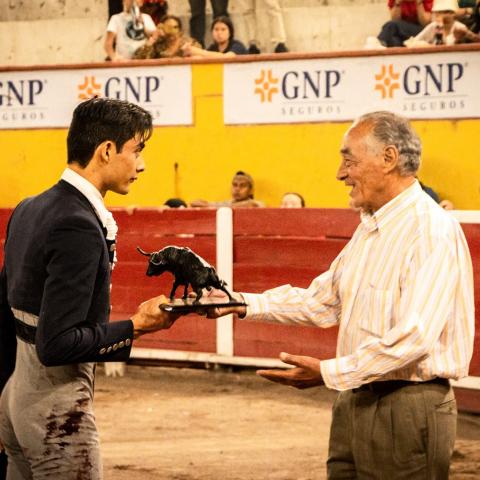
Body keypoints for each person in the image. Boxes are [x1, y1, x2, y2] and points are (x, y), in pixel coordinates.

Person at [205, 111, 474, 478]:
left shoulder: (430, 231)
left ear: (389, 158)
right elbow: (323, 301)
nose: (340, 173)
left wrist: (330, 371)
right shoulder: (371, 227)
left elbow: (415, 336)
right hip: (354, 398)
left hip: (407, 404)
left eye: (349, 159)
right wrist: (244, 302)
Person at [0, 97, 182, 479]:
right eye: (137, 150)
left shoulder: (29, 207)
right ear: (107, 150)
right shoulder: (78, 224)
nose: (142, 164)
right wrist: (137, 325)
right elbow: (57, 345)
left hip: (14, 398)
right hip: (54, 408)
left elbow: (4, 312)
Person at [410, 0, 480, 44]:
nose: (443, 15)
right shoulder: (433, 26)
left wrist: (458, 39)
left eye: (447, 12)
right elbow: (414, 41)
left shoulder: (460, 27)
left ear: (453, 13)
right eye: (440, 12)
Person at [133, 14, 200, 59]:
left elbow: (200, 60)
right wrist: (153, 38)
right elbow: (138, 59)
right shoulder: (158, 45)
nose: (171, 32)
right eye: (168, 27)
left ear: (180, 30)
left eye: (175, 27)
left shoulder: (190, 43)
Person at [191, 171, 264, 208]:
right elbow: (194, 203)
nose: (237, 189)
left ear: (251, 191)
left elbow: (250, 205)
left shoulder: (258, 203)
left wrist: (217, 208)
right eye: (235, 185)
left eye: (242, 186)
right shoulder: (226, 203)